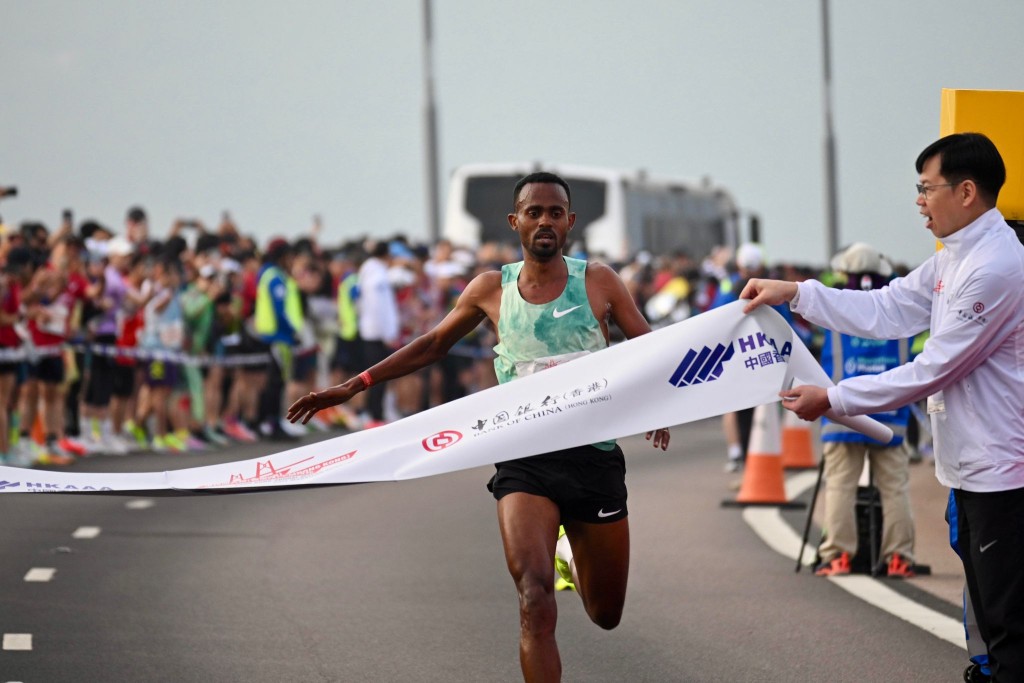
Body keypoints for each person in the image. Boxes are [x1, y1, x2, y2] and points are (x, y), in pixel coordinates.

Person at [288, 172, 671, 682]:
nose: (544, 221)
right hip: (524, 458)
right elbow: (432, 344)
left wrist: (662, 408)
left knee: (606, 614)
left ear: (571, 222)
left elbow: (650, 347)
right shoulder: (492, 288)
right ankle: (548, 567)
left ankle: (568, 559)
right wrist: (355, 384)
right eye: (533, 212)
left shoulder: (598, 280)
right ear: (515, 222)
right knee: (534, 598)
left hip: (592, 459)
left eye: (555, 212)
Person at [741, 132, 1024, 680]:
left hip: (1003, 476)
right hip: (972, 467)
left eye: (926, 188)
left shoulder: (994, 267)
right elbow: (887, 308)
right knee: (987, 620)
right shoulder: (954, 258)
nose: (919, 201)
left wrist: (834, 399)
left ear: (967, 192)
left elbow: (935, 368)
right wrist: (796, 294)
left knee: (1009, 622)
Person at [811, 242, 916, 578]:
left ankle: (838, 556)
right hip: (891, 411)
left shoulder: (836, 304)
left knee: (841, 485)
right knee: (895, 486)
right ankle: (899, 557)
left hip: (841, 408)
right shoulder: (897, 305)